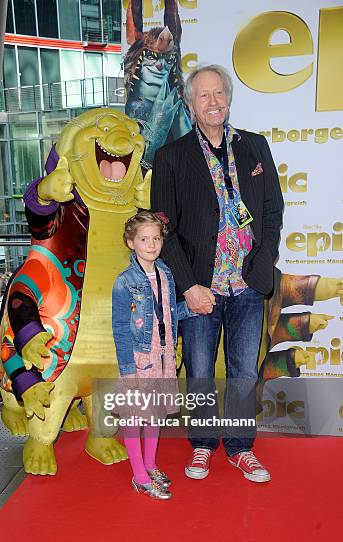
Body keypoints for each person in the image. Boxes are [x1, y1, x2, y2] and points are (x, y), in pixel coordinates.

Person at [151, 64, 284, 483]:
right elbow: (163, 226)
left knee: (244, 370)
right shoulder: (171, 157)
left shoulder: (255, 148)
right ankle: (204, 444)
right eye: (203, 96)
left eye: (219, 94)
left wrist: (261, 270)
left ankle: (241, 448)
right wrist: (188, 286)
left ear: (228, 99)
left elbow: (271, 212)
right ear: (191, 106)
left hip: (248, 284)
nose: (213, 102)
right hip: (200, 288)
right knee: (202, 369)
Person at [112, 210, 194, 499]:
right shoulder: (125, 281)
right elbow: (121, 327)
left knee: (154, 414)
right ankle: (139, 475)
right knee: (135, 416)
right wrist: (127, 369)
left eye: (156, 238)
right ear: (130, 242)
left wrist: (193, 307)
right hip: (140, 359)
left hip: (164, 356)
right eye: (144, 238)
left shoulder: (166, 273)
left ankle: (149, 464)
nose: (151, 244)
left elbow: (168, 316)